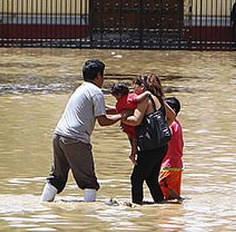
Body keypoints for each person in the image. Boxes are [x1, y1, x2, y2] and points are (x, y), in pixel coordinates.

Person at [41, 59, 120, 202]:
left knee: (57, 177)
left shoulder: (82, 88)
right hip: (75, 139)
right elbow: (103, 121)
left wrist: (120, 109)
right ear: (98, 76)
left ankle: (43, 204)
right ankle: (89, 213)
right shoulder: (96, 92)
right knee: (89, 181)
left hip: (58, 136)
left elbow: (102, 108)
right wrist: (122, 116)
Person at [119, 74, 177, 205]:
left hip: (149, 147)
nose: (133, 89)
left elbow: (135, 121)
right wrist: (160, 129)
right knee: (151, 179)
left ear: (142, 86)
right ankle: (160, 204)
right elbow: (172, 117)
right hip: (161, 146)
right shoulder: (159, 99)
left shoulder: (144, 100)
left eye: (135, 85)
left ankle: (136, 206)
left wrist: (118, 117)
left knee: (136, 179)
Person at [108, 83, 149, 165]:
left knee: (131, 139)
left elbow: (118, 111)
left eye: (115, 96)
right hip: (131, 124)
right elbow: (137, 99)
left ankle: (133, 153)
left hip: (125, 124)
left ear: (119, 94)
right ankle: (133, 154)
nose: (116, 99)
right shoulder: (131, 97)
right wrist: (147, 93)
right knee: (134, 139)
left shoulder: (119, 103)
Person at [159, 97, 184, 201]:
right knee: (169, 197)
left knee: (161, 183)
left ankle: (181, 201)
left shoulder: (170, 125)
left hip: (169, 164)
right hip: (176, 164)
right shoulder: (177, 124)